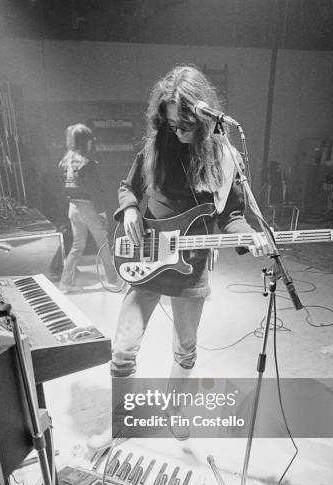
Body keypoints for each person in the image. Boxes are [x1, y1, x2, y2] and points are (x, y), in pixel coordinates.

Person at [110, 65, 269, 378]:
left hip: (191, 265)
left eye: (185, 125)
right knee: (122, 348)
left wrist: (248, 235)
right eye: (171, 125)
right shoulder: (155, 147)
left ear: (204, 120)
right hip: (148, 257)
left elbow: (232, 215)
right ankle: (123, 417)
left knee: (186, 349)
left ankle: (177, 410)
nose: (178, 132)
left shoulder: (223, 156)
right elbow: (128, 187)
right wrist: (130, 209)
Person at [58, 123, 121, 293]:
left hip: (73, 207)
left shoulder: (64, 162)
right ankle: (113, 279)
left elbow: (64, 188)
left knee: (77, 245)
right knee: (102, 243)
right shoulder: (87, 163)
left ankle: (66, 282)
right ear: (85, 141)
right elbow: (96, 191)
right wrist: (102, 213)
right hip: (88, 208)